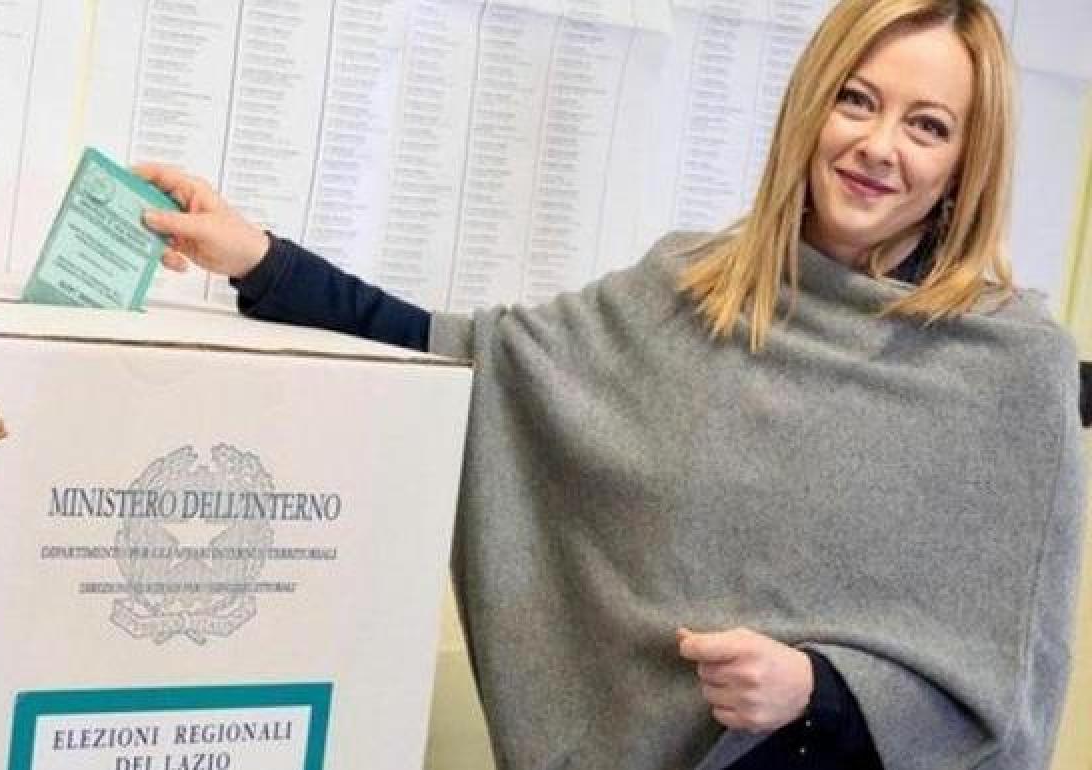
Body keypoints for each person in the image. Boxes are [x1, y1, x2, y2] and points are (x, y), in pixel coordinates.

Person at [136, 1, 1086, 768]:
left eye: (928, 125)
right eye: (856, 100)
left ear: (969, 160)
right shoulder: (688, 292)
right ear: (809, 111)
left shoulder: (1006, 368)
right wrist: (254, 256)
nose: (881, 146)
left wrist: (817, 692)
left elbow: (997, 687)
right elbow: (469, 356)